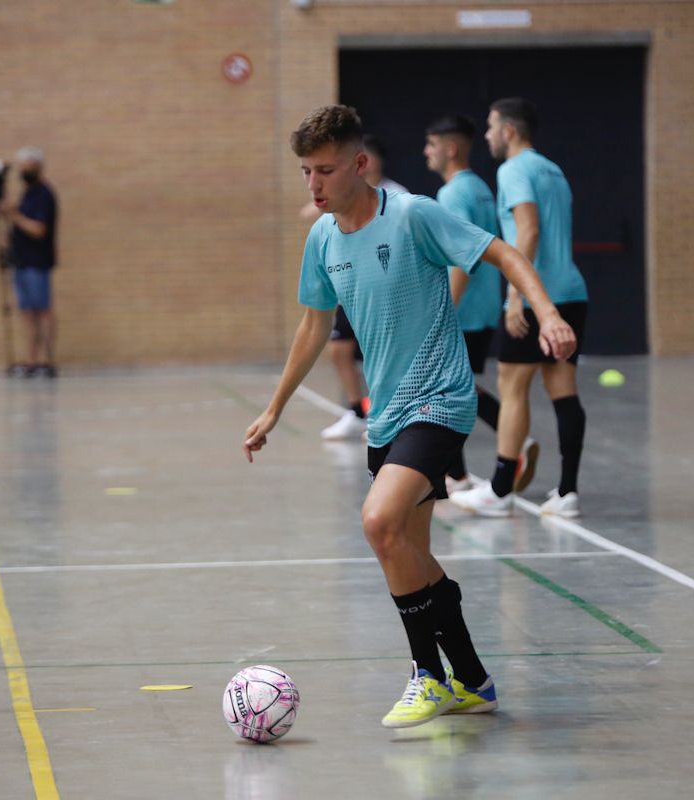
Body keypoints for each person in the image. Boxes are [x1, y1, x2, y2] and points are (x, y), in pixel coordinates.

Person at [242, 105, 576, 728]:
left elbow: (501, 252)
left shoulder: (414, 214)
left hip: (440, 400)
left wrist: (548, 313)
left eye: (325, 170)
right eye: (305, 173)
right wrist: (274, 407)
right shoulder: (322, 238)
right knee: (407, 553)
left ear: (360, 165)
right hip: (388, 413)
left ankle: (428, 675)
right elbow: (315, 324)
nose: (313, 185)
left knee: (378, 522)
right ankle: (473, 680)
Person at [450, 98, 587, 518]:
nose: (488, 137)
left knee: (511, 385)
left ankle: (500, 489)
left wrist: (515, 296)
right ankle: (567, 492)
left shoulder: (513, 170)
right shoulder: (553, 169)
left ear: (509, 131)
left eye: (491, 128)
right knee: (562, 389)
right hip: (572, 291)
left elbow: (527, 230)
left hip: (536, 296)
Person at [423, 114, 522, 494]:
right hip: (483, 306)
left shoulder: (453, 194)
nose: (425, 153)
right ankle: (504, 444)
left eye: (431, 145)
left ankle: (460, 475)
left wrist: (443, 307)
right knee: (455, 386)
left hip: (460, 310)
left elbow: (463, 253)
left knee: (443, 390)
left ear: (450, 149)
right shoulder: (481, 188)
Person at [319, 134, 409, 440]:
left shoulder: (397, 196)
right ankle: (358, 411)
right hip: (353, 288)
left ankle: (390, 415)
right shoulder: (347, 196)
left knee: (383, 357)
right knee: (339, 349)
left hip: (386, 291)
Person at [0, 146, 59, 378]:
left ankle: (46, 360)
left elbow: (38, 229)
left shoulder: (44, 194)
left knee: (42, 311)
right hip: (21, 261)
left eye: (27, 167)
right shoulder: (27, 194)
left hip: (38, 262)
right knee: (26, 312)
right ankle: (31, 360)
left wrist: (14, 215)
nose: (23, 172)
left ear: (37, 167)